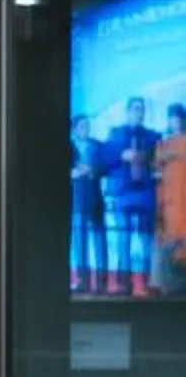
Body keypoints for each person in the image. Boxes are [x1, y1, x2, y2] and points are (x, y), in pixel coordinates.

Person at [109, 95, 165, 296]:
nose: (138, 112)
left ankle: (147, 281)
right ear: (128, 111)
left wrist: (150, 163)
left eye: (141, 109)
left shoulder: (153, 136)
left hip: (145, 192)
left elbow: (159, 161)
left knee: (146, 239)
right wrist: (121, 155)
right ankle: (124, 282)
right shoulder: (116, 134)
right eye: (135, 109)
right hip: (123, 191)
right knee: (123, 237)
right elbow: (106, 159)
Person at [73, 114, 107, 295]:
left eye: (87, 125)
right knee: (80, 242)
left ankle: (102, 281)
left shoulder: (97, 146)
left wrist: (91, 170)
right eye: (81, 126)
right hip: (77, 200)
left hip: (95, 200)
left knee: (99, 241)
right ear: (74, 129)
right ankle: (82, 280)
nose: (85, 128)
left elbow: (105, 168)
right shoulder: (68, 147)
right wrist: (74, 172)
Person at [161, 106, 186, 297]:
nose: (175, 122)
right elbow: (156, 163)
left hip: (183, 198)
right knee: (170, 237)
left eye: (178, 118)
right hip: (169, 198)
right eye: (172, 119)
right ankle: (171, 284)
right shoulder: (163, 142)